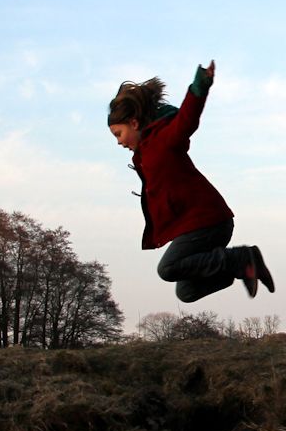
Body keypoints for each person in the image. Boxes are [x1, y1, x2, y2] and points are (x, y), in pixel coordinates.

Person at [108, 61, 274, 303]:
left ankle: (243, 258)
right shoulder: (144, 154)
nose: (119, 142)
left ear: (134, 123)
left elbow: (186, 120)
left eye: (118, 134)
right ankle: (237, 268)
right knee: (187, 291)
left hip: (208, 221)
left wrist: (199, 87)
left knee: (168, 268)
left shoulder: (163, 139)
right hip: (194, 225)